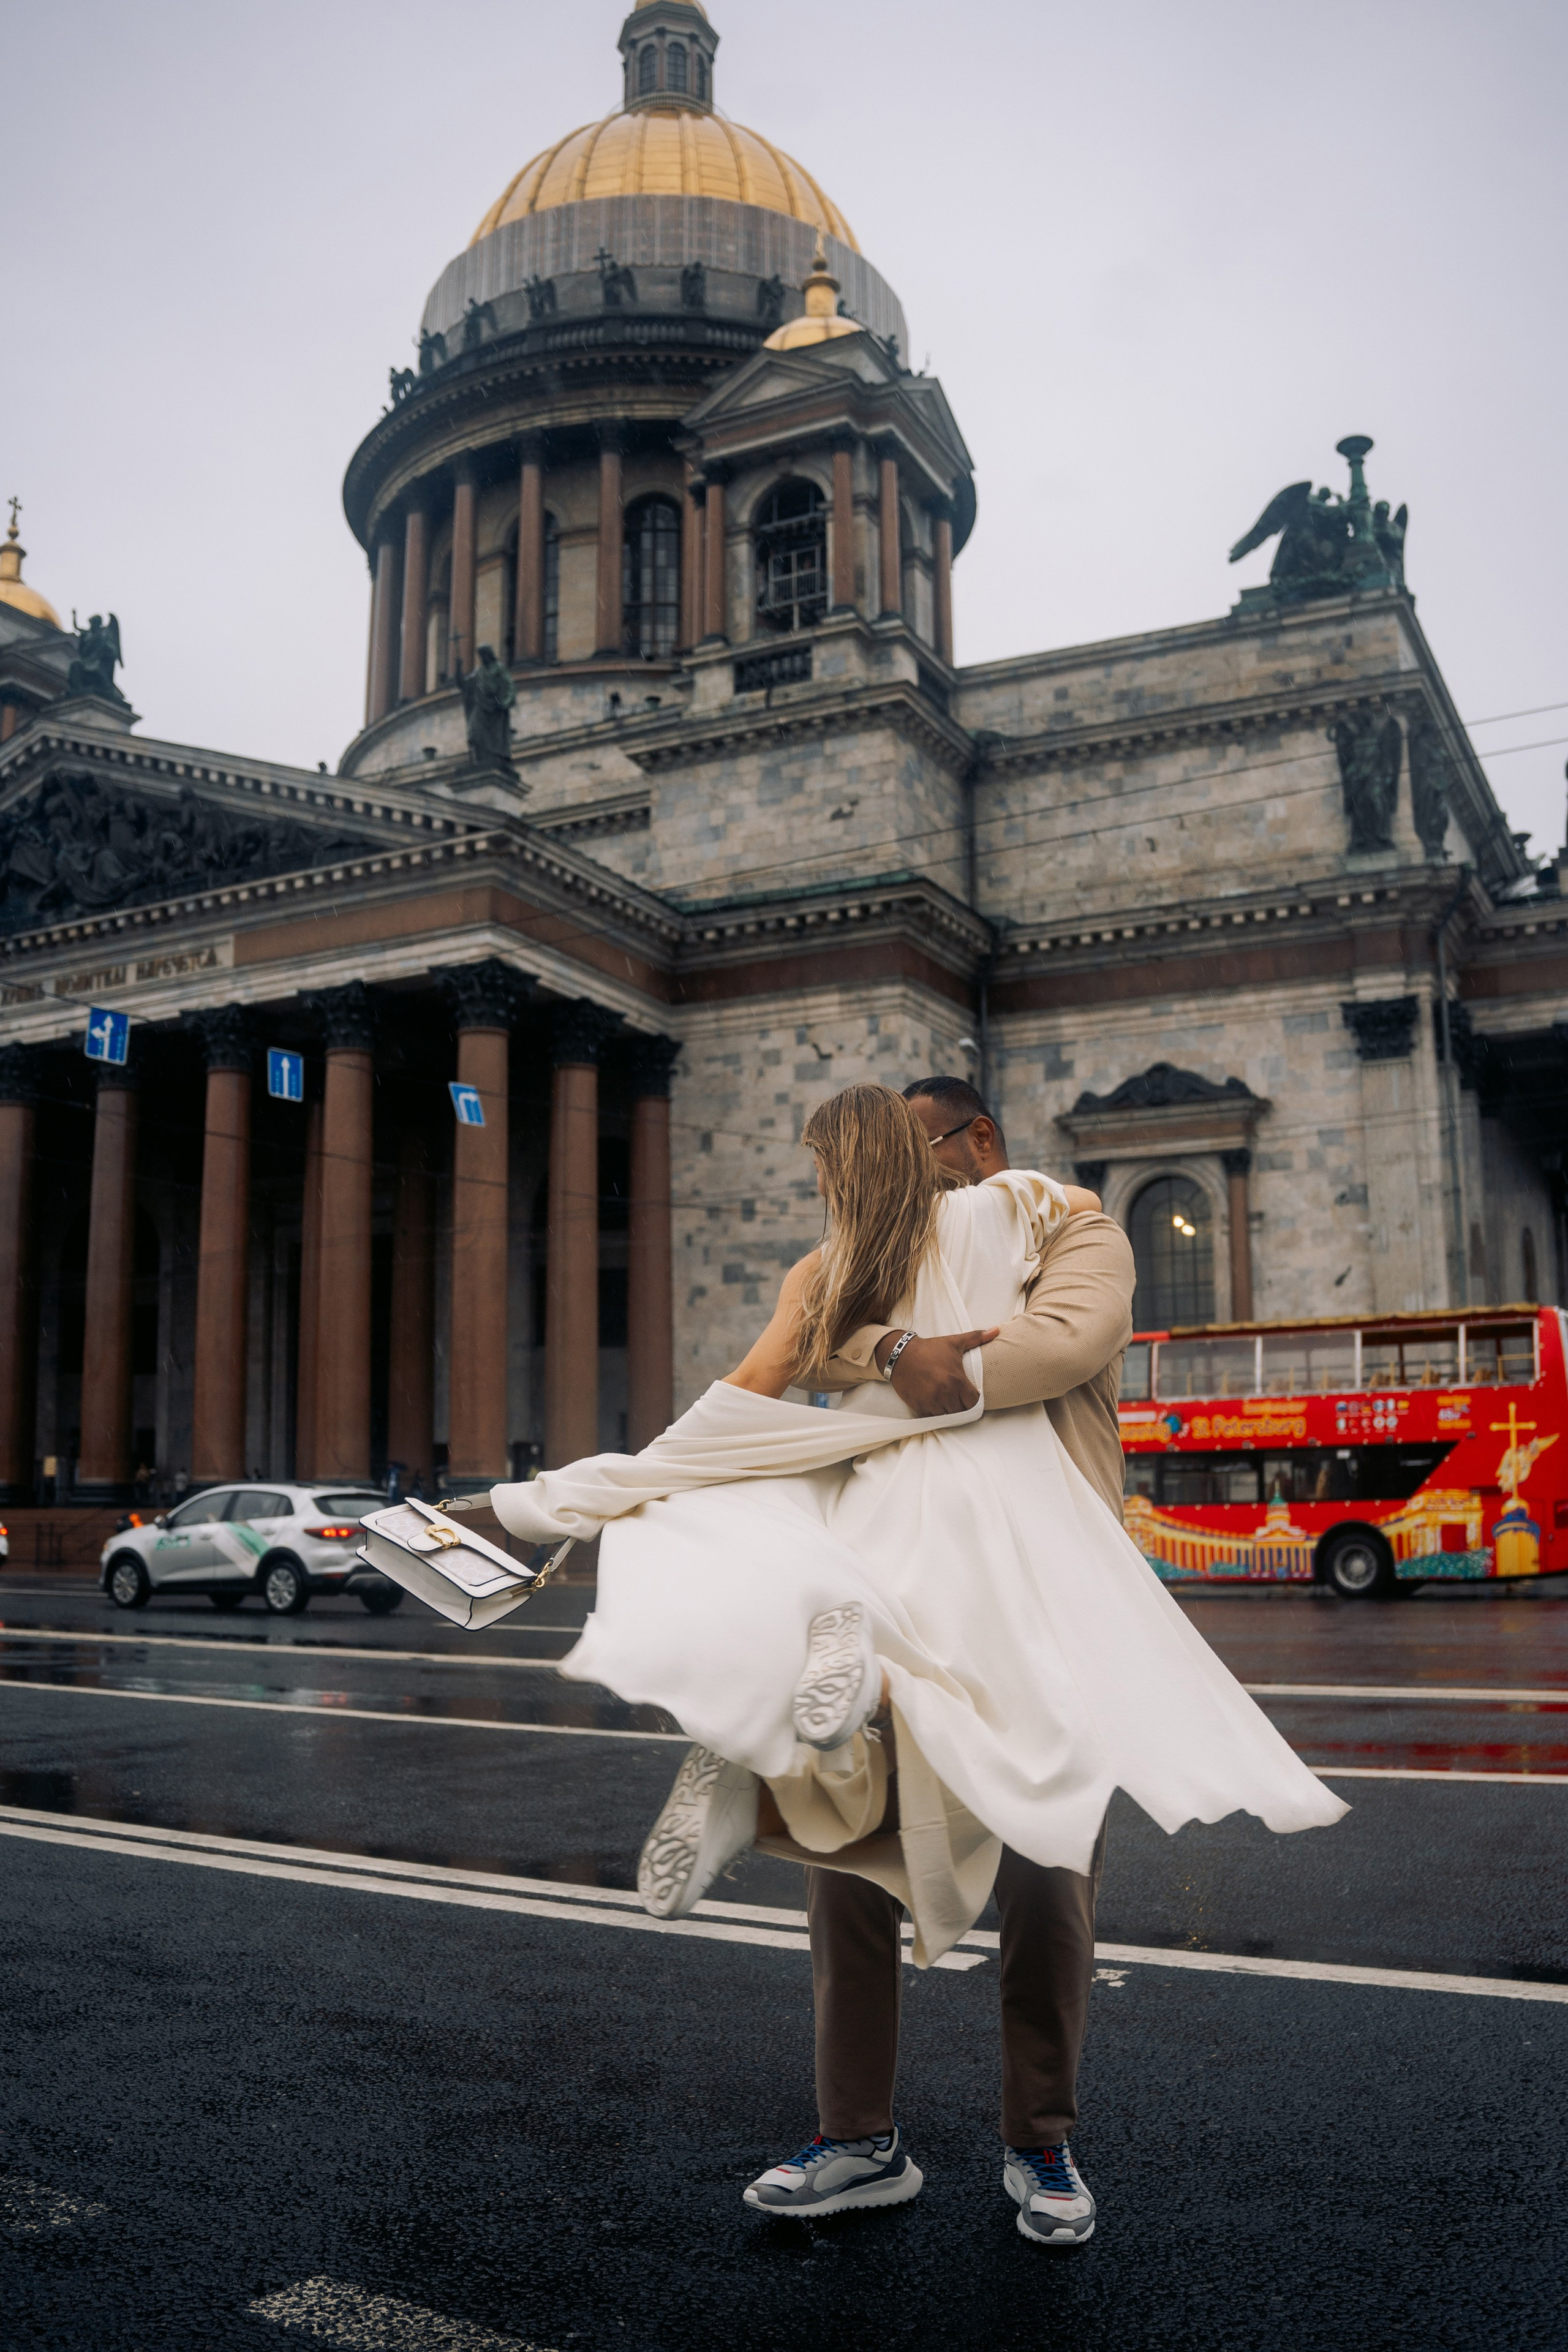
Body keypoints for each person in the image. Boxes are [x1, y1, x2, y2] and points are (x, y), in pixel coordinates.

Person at [489, 1084, 1345, 2248]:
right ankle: (858, 2139)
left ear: (974, 1141)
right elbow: (782, 1359)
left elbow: (1067, 1344)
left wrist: (899, 1359)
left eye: (910, 1152)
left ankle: (1039, 2138)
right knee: (848, 1857)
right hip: (901, 1570)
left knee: (1049, 1866)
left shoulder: (1070, 1226)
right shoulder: (856, 1258)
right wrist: (895, 1347)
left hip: (1051, 1593)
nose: (873, 1185)